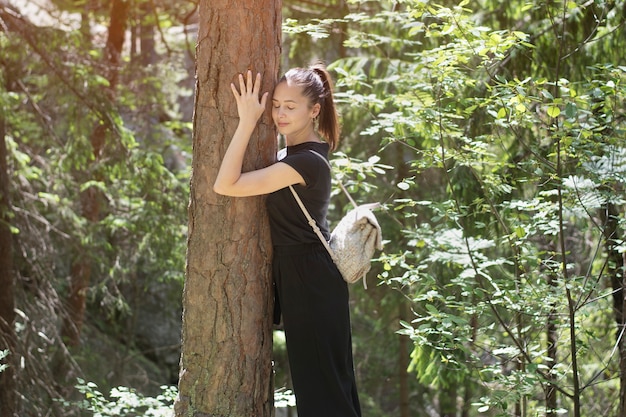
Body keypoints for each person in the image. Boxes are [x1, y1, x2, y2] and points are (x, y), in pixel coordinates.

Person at [213, 64, 362, 417]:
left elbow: (225, 185)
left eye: (290, 107)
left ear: (315, 110)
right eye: (276, 104)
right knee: (326, 389)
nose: (279, 113)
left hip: (311, 279)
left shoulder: (307, 163)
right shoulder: (288, 157)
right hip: (303, 277)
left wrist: (247, 121)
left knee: (324, 393)